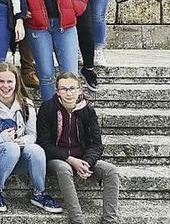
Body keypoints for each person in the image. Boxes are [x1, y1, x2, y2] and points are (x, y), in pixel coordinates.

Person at [0, 62, 61, 214]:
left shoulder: (27, 104)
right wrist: (1, 138)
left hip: (18, 156)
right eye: (1, 81)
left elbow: (33, 135)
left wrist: (24, 141)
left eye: (9, 81)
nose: (5, 86)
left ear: (17, 82)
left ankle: (39, 193)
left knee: (36, 149)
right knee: (10, 147)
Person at [38, 72, 120, 224]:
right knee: (64, 168)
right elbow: (43, 143)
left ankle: (110, 220)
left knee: (110, 170)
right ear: (57, 92)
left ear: (80, 90)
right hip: (57, 158)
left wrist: (87, 162)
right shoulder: (47, 108)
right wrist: (70, 159)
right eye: (63, 89)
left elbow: (97, 144)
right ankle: (77, 220)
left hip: (83, 159)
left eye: (72, 88)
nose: (68, 93)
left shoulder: (87, 111)